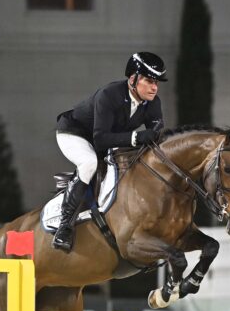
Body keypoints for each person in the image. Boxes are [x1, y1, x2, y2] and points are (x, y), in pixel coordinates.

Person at [51, 52, 167, 252]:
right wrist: (136, 138)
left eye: (156, 82)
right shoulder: (109, 95)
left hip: (106, 139)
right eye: (149, 81)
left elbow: (155, 135)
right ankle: (64, 227)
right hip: (75, 133)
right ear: (133, 79)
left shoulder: (153, 103)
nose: (154, 87)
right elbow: (101, 139)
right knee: (89, 163)